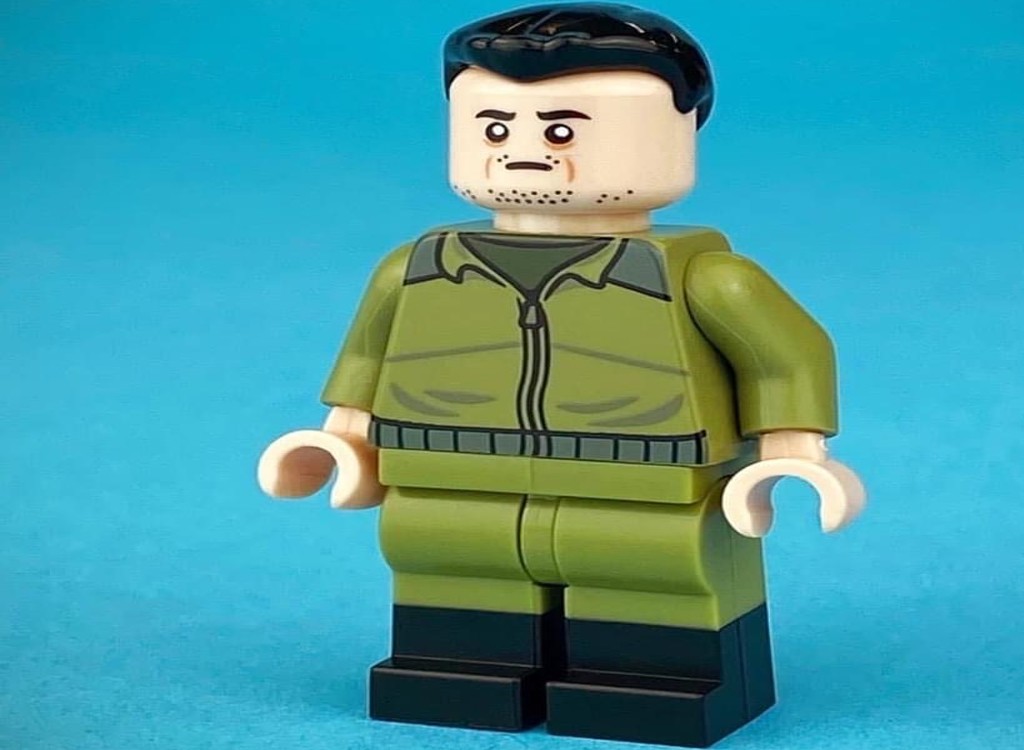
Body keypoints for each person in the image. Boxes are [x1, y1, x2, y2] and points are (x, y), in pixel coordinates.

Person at [258, 4, 865, 747]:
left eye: (561, 131)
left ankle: (651, 679)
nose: (523, 154)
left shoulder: (705, 277)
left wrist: (791, 450)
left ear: (678, 132)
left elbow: (787, 354)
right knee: (448, 560)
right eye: (494, 129)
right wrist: (343, 436)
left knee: (648, 570)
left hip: (642, 476)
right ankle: (461, 667)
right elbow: (366, 360)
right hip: (448, 469)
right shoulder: (414, 269)